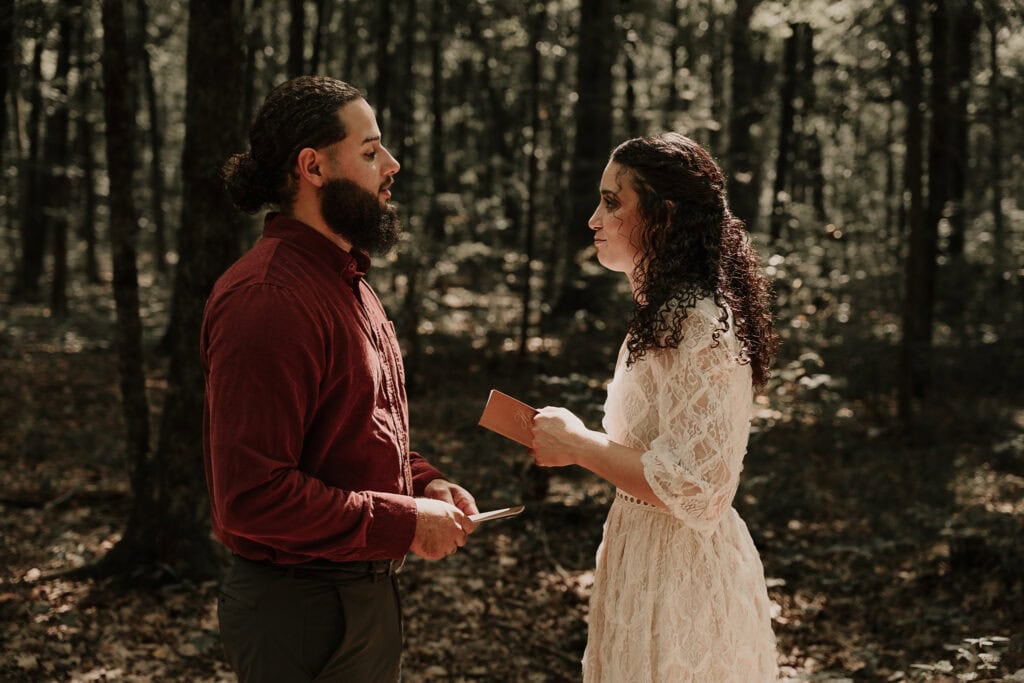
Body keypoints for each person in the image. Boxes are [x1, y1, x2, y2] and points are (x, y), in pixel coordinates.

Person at [202, 76, 479, 683]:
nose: (392, 165)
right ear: (313, 166)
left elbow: (354, 433)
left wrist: (423, 484)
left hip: (361, 598)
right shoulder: (268, 297)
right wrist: (403, 522)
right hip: (299, 609)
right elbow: (251, 496)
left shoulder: (348, 280)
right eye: (371, 149)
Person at [529, 133, 780, 682]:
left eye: (612, 202)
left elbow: (698, 488)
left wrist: (577, 445)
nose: (593, 219)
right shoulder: (664, 314)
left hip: (685, 578)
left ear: (663, 217)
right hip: (638, 558)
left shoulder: (699, 324)